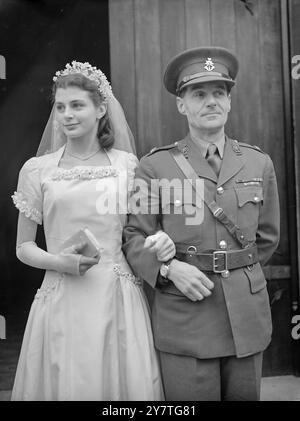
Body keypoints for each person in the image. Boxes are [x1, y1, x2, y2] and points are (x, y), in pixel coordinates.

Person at [123, 47, 280, 401]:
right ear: (182, 105)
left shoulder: (259, 163)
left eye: (219, 93)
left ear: (229, 101)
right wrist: (168, 271)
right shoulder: (152, 168)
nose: (211, 101)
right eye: (199, 94)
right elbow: (134, 236)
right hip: (186, 314)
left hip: (245, 316)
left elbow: (267, 240)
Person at [11, 61, 174, 401]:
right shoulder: (37, 170)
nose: (67, 115)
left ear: (101, 109)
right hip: (61, 294)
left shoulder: (128, 166)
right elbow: (23, 246)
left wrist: (161, 241)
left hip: (115, 294)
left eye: (77, 105)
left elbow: (144, 230)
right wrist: (59, 261)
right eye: (60, 107)